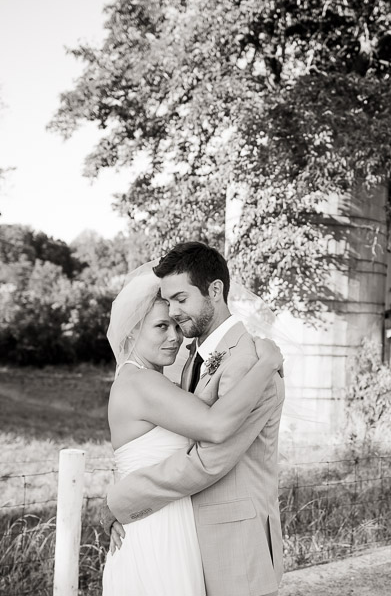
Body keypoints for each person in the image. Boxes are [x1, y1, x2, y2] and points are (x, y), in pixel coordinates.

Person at [104, 242, 287, 596]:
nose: (174, 319)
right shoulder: (193, 358)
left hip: (235, 542)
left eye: (180, 301)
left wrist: (121, 499)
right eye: (165, 316)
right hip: (170, 530)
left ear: (214, 290)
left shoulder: (248, 360)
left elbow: (209, 458)